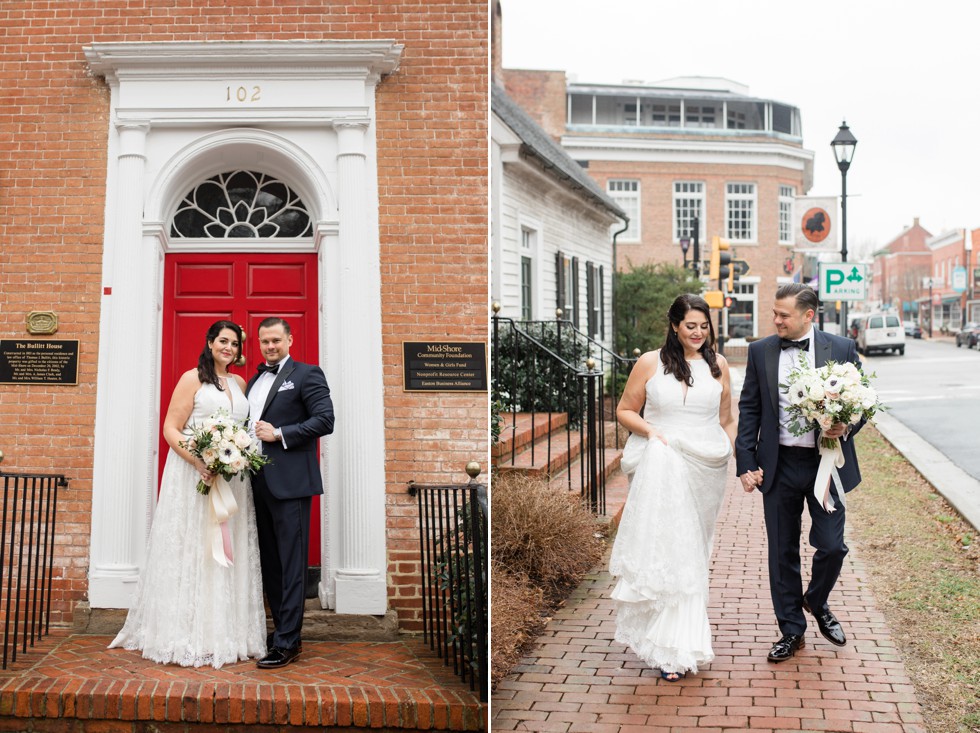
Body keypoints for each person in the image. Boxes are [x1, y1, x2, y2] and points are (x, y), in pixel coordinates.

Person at [109, 321, 266, 668]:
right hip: (194, 475)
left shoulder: (240, 383)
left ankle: (226, 633)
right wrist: (199, 459)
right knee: (195, 547)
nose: (229, 348)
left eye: (235, 344)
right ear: (210, 342)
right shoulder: (191, 378)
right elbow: (170, 427)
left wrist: (235, 454)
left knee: (227, 550)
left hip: (232, 480)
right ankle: (186, 633)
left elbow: (243, 431)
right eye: (223, 341)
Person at [609, 294, 736, 681]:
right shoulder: (650, 363)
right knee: (668, 547)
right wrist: (653, 433)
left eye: (704, 326)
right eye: (690, 325)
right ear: (675, 326)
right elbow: (625, 410)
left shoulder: (720, 366)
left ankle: (683, 639)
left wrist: (726, 448)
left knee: (695, 550)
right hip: (661, 463)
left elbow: (728, 419)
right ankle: (671, 648)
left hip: (706, 467)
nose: (698, 333)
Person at [735, 283, 864, 663]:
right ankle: (791, 630)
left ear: (809, 315)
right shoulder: (760, 351)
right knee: (782, 551)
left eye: (783, 315)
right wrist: (746, 462)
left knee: (832, 545)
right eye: (774, 313)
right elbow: (750, 409)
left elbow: (860, 406)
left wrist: (846, 425)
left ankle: (816, 600)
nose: (776, 320)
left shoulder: (840, 348)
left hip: (826, 463)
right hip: (779, 465)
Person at [246, 317, 335, 670]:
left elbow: (325, 420)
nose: (270, 346)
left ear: (289, 340)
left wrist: (280, 433)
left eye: (276, 341)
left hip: (291, 484)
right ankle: (281, 629)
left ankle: (289, 642)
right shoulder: (254, 380)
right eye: (264, 341)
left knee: (292, 563)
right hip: (255, 481)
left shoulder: (307, 374)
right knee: (270, 563)